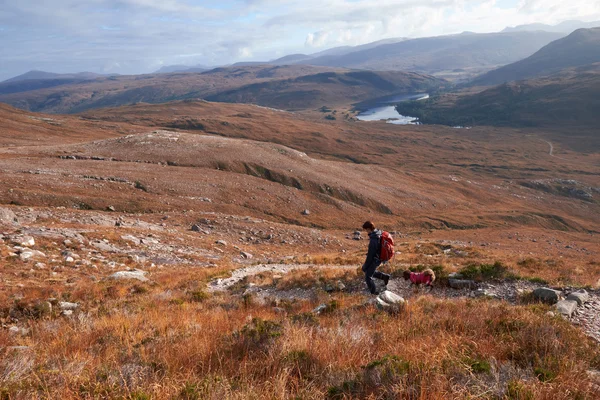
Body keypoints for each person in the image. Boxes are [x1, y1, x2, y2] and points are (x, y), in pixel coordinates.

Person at [361, 221, 390, 295]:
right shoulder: (378, 233)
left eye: (366, 230)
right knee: (370, 271)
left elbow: (371, 255)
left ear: (369, 229)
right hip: (379, 257)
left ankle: (373, 293)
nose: (366, 231)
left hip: (375, 259)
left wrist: (365, 265)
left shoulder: (374, 238)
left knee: (368, 276)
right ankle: (384, 277)